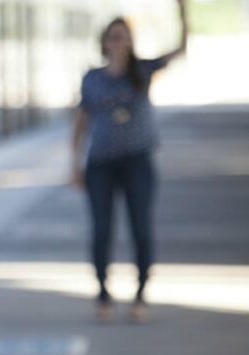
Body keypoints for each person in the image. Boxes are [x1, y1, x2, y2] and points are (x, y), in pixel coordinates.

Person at [70, 0, 188, 323]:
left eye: (123, 37)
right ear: (105, 42)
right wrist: (74, 162)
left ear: (131, 42)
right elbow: (81, 121)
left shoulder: (142, 72)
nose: (118, 42)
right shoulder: (92, 79)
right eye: (113, 37)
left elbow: (180, 50)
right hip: (100, 164)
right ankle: (103, 294)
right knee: (101, 229)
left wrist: (184, 13)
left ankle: (141, 295)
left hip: (137, 162)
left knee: (140, 227)